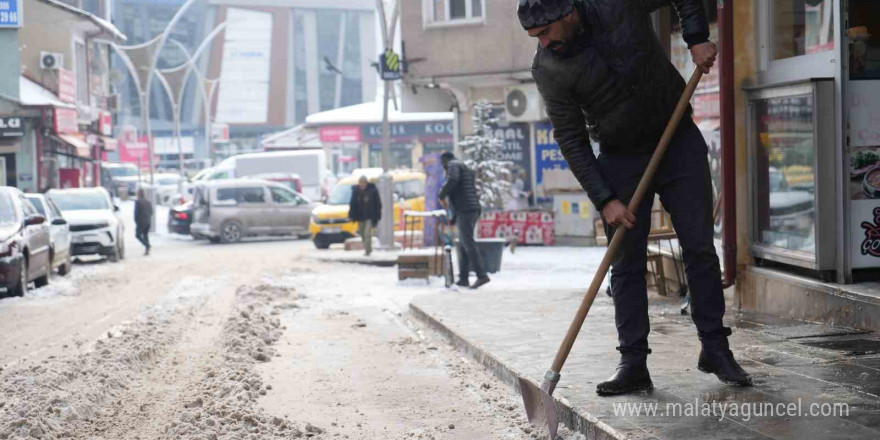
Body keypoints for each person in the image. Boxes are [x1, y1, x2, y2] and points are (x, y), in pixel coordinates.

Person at [518, 0, 751, 395]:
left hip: (675, 136)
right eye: (535, 38)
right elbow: (571, 140)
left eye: (545, 33)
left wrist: (696, 37)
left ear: (567, 14)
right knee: (625, 263)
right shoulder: (549, 69)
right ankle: (633, 363)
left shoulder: (614, 4)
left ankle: (715, 347)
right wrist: (605, 198)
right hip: (619, 157)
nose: (542, 44)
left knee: (699, 248)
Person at [439, 152, 490, 290]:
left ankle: (482, 275)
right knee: (462, 243)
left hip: (466, 209)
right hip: (469, 208)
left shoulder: (453, 165)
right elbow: (460, 192)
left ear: (445, 163)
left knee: (467, 242)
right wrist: (454, 217)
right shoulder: (462, 166)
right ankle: (463, 278)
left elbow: (453, 180)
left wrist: (442, 192)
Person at [348, 176, 381, 256]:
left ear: (366, 183)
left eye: (364, 183)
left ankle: (368, 250)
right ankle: (367, 248)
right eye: (361, 183)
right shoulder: (356, 191)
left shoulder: (372, 191)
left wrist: (377, 215)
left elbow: (377, 204)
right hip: (360, 217)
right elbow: (352, 204)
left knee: (367, 234)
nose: (362, 184)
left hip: (369, 216)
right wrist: (351, 215)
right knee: (362, 234)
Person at [134, 188, 153, 256]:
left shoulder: (138, 202)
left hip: (141, 222)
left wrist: (136, 221)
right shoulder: (148, 202)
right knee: (145, 235)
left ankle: (147, 245)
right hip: (148, 221)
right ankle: (147, 250)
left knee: (137, 235)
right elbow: (151, 212)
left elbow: (136, 213)